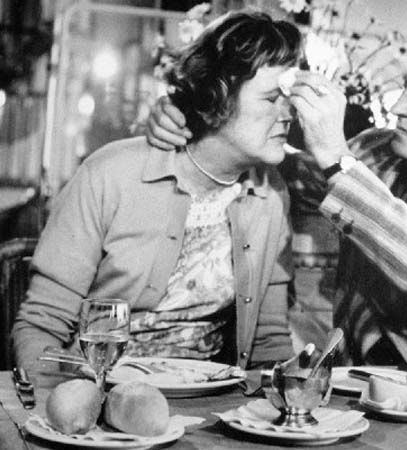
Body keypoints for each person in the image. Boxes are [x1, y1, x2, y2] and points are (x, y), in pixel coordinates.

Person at [145, 20, 407, 367]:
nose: (399, 106)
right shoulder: (378, 150)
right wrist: (193, 120)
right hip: (362, 389)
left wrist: (338, 157)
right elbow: (291, 172)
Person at [12, 11, 304, 371]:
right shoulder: (110, 174)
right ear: (216, 100)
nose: (288, 113)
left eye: (289, 98)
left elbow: (268, 341)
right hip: (95, 394)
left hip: (209, 408)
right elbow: (42, 325)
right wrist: (53, 406)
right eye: (272, 98)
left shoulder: (271, 194)